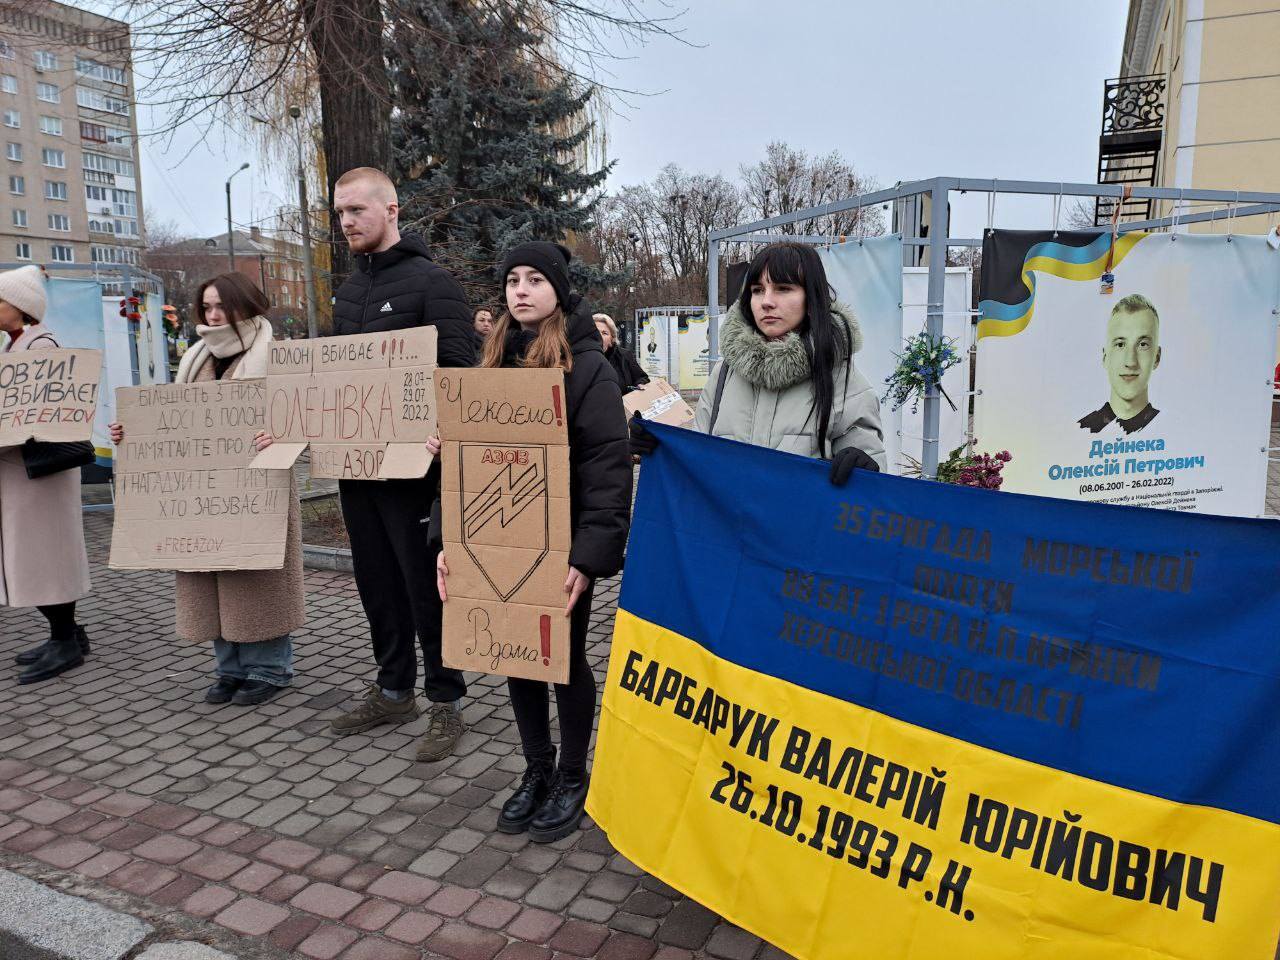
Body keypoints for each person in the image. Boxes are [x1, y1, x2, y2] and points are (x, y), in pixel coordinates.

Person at [435, 241, 631, 841]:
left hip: (561, 546)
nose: (521, 290)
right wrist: (449, 541)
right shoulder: (490, 364)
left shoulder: (585, 365)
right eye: (513, 280)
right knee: (516, 656)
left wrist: (588, 558)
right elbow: (464, 467)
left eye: (535, 280)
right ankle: (536, 768)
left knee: (564, 660)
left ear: (559, 290)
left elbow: (607, 465)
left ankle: (574, 774)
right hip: (496, 544)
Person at [322, 166, 475, 760]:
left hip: (415, 474)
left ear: (391, 210)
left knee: (424, 587)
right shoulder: (349, 291)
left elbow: (459, 371)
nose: (346, 223)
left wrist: (443, 430)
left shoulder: (432, 283)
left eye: (356, 211)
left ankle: (446, 700)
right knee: (376, 584)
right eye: (339, 214)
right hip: (357, 467)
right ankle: (392, 690)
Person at [110, 274, 305, 705]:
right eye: (208, 307)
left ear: (246, 305)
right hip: (204, 494)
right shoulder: (197, 356)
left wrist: (284, 435)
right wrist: (133, 432)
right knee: (212, 574)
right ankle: (229, 668)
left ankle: (271, 668)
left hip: (259, 490)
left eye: (222, 307)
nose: (213, 315)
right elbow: (177, 423)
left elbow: (304, 419)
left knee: (255, 580)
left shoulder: (277, 355)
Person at [630, 241, 885, 481]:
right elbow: (698, 456)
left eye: (783, 289)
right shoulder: (725, 373)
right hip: (726, 527)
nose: (767, 302)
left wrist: (865, 466)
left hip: (797, 527)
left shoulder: (843, 380)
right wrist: (659, 446)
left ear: (811, 298)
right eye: (757, 290)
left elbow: (871, 479)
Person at [0, 265, 93, 685]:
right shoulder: (17, 345)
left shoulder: (40, 347)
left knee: (45, 555)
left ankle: (65, 640)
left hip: (40, 472)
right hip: (22, 472)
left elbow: (35, 415)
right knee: (32, 554)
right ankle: (68, 633)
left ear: (20, 308)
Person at [1078, 293, 1162, 435]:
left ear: (1156, 358)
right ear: (1105, 357)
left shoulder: (1172, 429)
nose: (1130, 362)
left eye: (1142, 344)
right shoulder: (1081, 430)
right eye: (1120, 344)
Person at [594, 313, 648, 392]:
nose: (599, 336)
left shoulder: (624, 355)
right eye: (596, 332)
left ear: (612, 339)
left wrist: (640, 384)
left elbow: (641, 378)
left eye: (604, 333)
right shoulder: (579, 358)